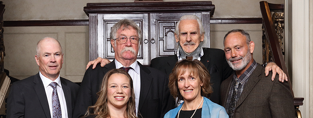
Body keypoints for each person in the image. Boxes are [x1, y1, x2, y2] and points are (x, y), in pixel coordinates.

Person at [87, 15, 287, 105]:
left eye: (193, 33)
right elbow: (131, 71)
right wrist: (107, 63)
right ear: (176, 37)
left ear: (202, 36)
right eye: (183, 34)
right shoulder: (159, 64)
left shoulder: (218, 57)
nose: (189, 38)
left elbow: (242, 68)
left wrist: (268, 65)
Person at [74, 19, 173, 118]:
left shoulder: (158, 78)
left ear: (139, 44)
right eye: (122, 38)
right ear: (113, 43)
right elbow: (81, 116)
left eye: (133, 38)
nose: (128, 43)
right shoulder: (95, 74)